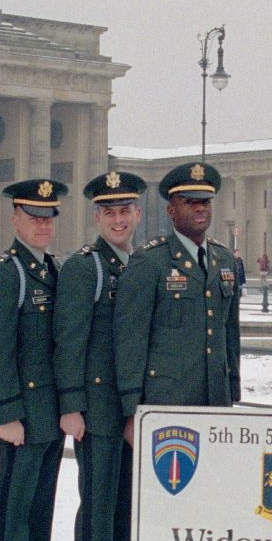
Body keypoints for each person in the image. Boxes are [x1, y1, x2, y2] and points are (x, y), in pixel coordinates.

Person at [0, 178, 73, 541]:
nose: (41, 225)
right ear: (15, 219)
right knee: (13, 507)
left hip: (49, 411)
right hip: (23, 414)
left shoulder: (51, 269)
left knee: (40, 505)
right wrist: (7, 413)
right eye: (32, 217)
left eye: (47, 218)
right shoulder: (5, 272)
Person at [53, 170, 146, 541]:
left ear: (137, 214)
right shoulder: (83, 267)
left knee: (123, 506)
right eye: (109, 212)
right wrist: (70, 404)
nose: (118, 219)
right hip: (95, 407)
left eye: (125, 211)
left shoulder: (135, 264)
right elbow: (68, 341)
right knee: (98, 504)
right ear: (96, 217)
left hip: (129, 409)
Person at [114, 162, 241, 419]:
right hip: (166, 400)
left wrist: (233, 388)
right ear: (171, 209)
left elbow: (230, 331)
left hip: (216, 399)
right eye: (189, 202)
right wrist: (131, 410)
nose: (199, 208)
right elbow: (130, 341)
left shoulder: (225, 258)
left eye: (205, 202)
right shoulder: (150, 261)